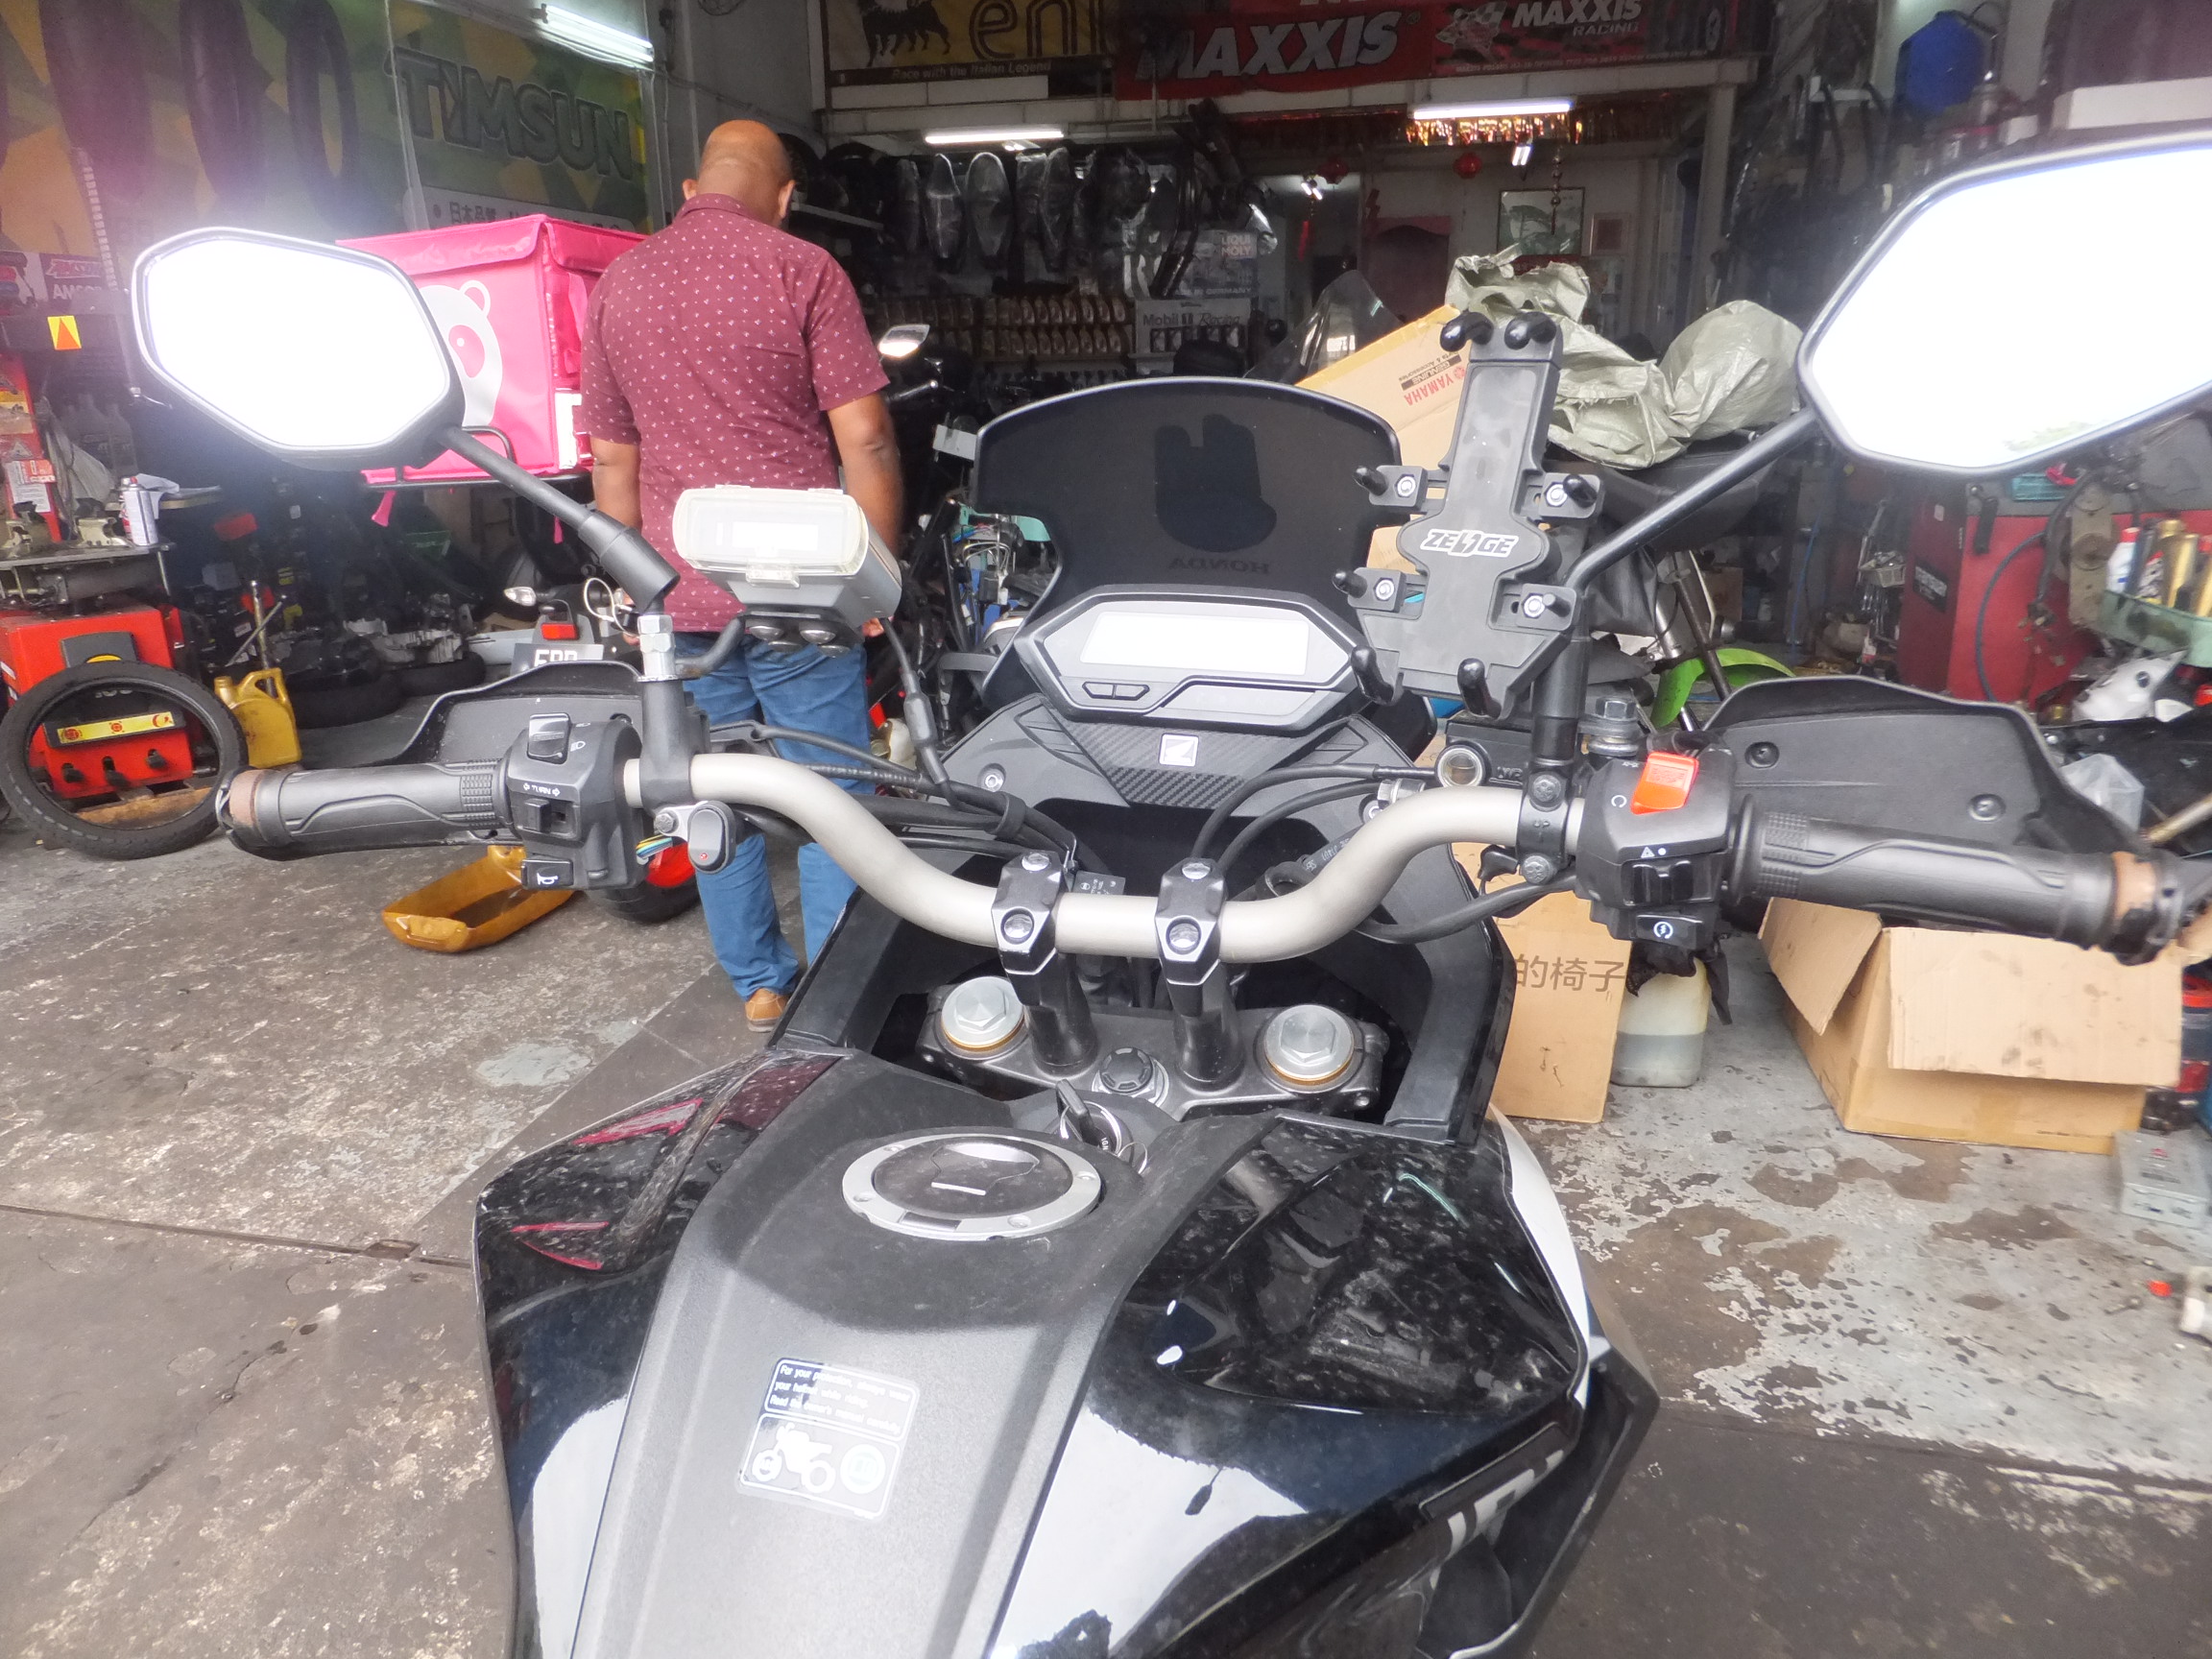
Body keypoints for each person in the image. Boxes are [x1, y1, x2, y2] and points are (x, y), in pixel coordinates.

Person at [580, 121, 902, 1030]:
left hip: (679, 598)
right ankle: (838, 994)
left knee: (711, 790)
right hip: (801, 593)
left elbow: (612, 463)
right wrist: (875, 581)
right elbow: (868, 439)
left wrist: (638, 588)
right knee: (830, 793)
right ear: (786, 197)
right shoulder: (804, 269)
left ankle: (761, 983)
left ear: (691, 190)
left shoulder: (619, 283)